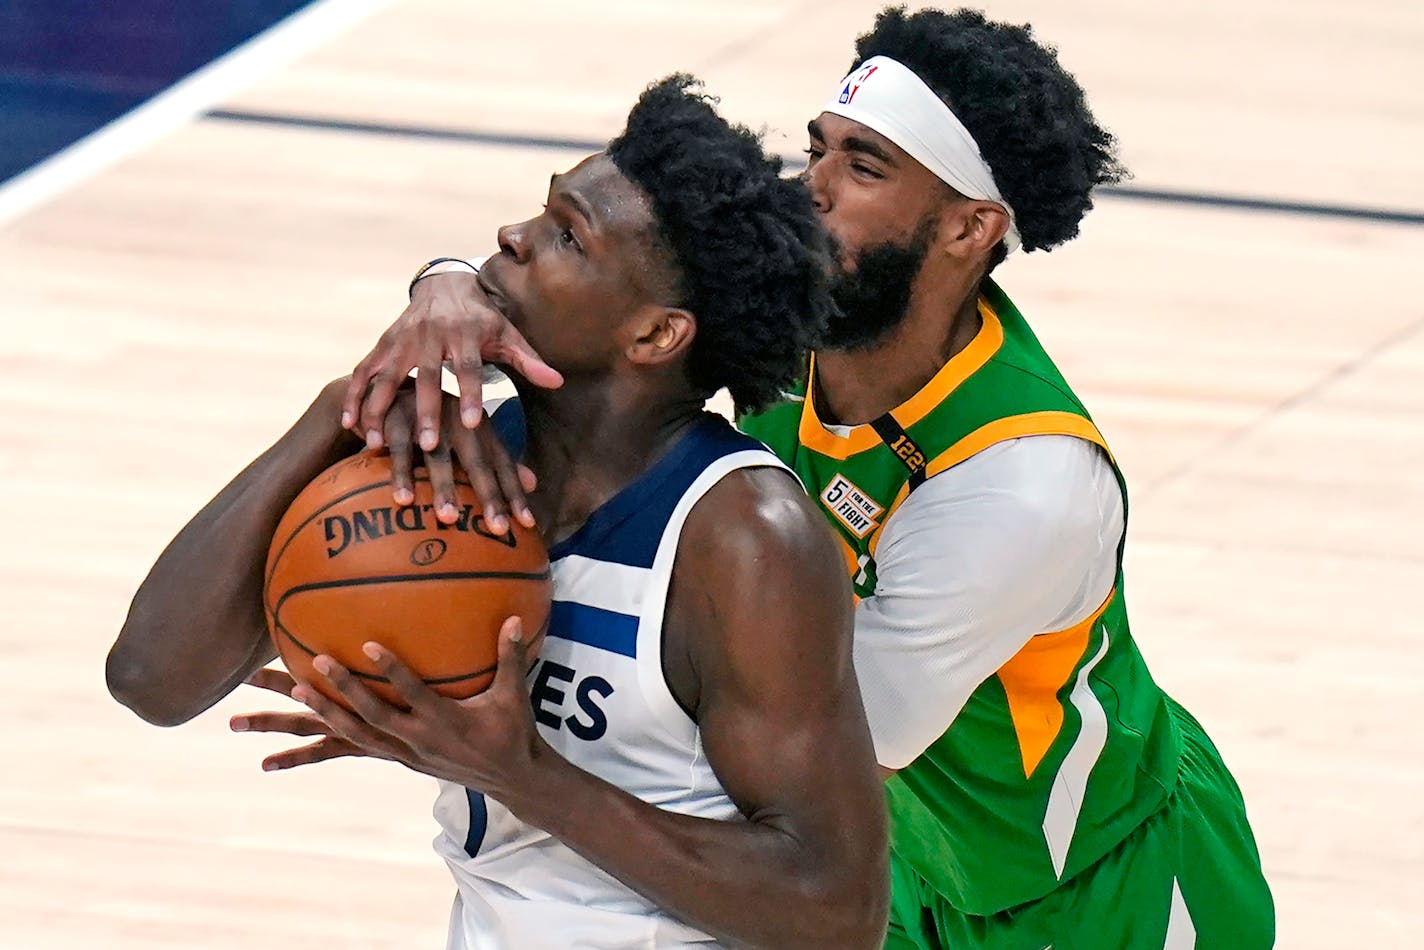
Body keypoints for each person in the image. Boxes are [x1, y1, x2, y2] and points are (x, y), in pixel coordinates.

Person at [344, 8, 1277, 950]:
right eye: (817, 150)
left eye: (863, 167)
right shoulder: (805, 321)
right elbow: (607, 292)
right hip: (900, 871)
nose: (811, 190)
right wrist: (450, 283)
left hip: (1089, 893)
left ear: (968, 227)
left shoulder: (1023, 481)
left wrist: (510, 717)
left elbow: (850, 729)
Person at [106, 76, 890, 950]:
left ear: (654, 335)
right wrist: (339, 411)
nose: (511, 237)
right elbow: (152, 680)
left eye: (565, 236)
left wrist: (519, 772)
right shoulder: (438, 451)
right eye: (539, 213)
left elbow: (836, 909)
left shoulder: (742, 537)